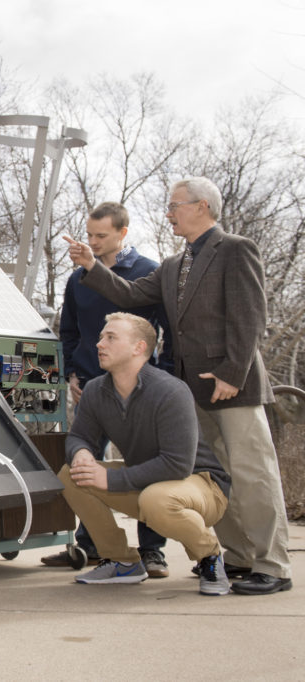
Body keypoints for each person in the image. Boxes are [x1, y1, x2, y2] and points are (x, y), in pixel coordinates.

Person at [64, 176, 292, 596]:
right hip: (194, 390)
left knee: (253, 473)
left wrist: (232, 372)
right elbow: (130, 294)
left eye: (174, 206)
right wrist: (92, 266)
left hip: (234, 385)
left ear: (202, 206)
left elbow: (250, 316)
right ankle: (239, 556)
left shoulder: (235, 249)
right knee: (215, 476)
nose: (168, 213)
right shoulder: (172, 266)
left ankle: (273, 565)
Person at [43, 202, 173, 576]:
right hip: (90, 389)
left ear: (122, 233)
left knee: (146, 465)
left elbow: (167, 333)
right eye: (89, 235)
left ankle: (152, 551)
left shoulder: (149, 272)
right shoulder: (76, 280)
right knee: (83, 465)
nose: (93, 241)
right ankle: (90, 545)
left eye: (101, 235)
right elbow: (69, 332)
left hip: (141, 389)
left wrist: (162, 378)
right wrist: (72, 375)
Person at [60, 313, 231, 595]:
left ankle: (209, 557)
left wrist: (110, 480)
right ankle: (122, 561)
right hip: (148, 483)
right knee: (71, 475)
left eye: (111, 337)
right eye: (101, 337)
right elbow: (79, 436)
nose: (100, 344)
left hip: (202, 485)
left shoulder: (170, 391)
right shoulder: (95, 391)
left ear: (138, 347)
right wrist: (80, 453)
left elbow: (177, 464)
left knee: (156, 499)